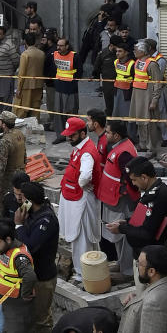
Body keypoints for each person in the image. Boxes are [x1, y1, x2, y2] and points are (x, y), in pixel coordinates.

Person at [106, 157, 167, 290]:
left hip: (150, 261)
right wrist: (127, 222)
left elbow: (147, 233)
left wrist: (122, 229)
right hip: (143, 255)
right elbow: (142, 219)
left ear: (144, 177)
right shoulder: (152, 192)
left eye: (134, 180)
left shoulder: (158, 196)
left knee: (145, 296)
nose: (133, 184)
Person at [14, 182, 59, 333]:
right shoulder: (32, 213)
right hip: (30, 275)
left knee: (42, 317)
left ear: (31, 200)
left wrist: (19, 226)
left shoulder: (46, 220)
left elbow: (30, 246)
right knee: (31, 315)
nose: (20, 201)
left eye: (23, 198)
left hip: (43, 277)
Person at [110, 245, 167, 333]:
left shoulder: (153, 303)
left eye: (139, 264)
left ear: (151, 271)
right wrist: (138, 299)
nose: (137, 266)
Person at [57, 117, 101, 281]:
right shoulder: (81, 147)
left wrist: (81, 185)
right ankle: (82, 270)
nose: (69, 138)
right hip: (75, 198)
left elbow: (85, 176)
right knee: (79, 238)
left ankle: (84, 274)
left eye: (72, 135)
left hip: (81, 200)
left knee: (82, 238)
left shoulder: (87, 153)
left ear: (83, 133)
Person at [0, 220, 38, 333]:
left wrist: (26, 293)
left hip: (19, 306)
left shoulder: (19, 256)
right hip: (7, 302)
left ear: (8, 239)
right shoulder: (3, 249)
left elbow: (29, 276)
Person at [96, 121, 139, 276]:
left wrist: (128, 195)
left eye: (107, 132)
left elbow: (132, 179)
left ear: (116, 135)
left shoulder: (124, 153)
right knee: (117, 233)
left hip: (122, 200)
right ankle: (121, 263)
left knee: (123, 233)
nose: (105, 134)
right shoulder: (119, 147)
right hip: (114, 198)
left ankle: (127, 271)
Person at [47, 38, 84, 144]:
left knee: (72, 113)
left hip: (71, 89)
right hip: (59, 88)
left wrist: (71, 81)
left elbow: (79, 72)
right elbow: (52, 68)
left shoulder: (75, 56)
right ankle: (61, 135)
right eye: (58, 45)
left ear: (67, 46)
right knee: (58, 113)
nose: (58, 47)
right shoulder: (54, 54)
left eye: (61, 45)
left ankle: (75, 135)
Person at [130, 40, 163, 154]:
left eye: (136, 49)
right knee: (140, 122)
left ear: (143, 51)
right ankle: (143, 144)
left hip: (147, 96)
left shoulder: (152, 64)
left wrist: (154, 100)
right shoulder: (137, 61)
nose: (134, 51)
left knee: (149, 124)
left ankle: (151, 148)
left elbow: (157, 83)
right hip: (138, 95)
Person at [0, 112, 26, 206]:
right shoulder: (19, 134)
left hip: (8, 180)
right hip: (21, 174)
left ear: (4, 124)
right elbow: (24, 156)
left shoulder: (4, 142)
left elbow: (0, 167)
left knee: (4, 205)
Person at [14, 33, 45, 118]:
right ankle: (35, 127)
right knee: (36, 109)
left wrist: (19, 88)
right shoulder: (42, 54)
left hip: (26, 86)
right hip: (38, 84)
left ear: (25, 42)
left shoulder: (25, 54)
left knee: (22, 109)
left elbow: (22, 73)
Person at [0, 26, 20, 110]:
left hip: (6, 76)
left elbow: (16, 61)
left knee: (6, 100)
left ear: (4, 35)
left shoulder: (9, 45)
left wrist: (9, 70)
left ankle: (5, 120)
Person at [111, 44, 135, 125]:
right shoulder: (115, 62)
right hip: (117, 89)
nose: (117, 53)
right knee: (117, 112)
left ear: (126, 53)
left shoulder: (132, 64)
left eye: (120, 51)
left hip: (128, 92)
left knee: (127, 114)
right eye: (116, 51)